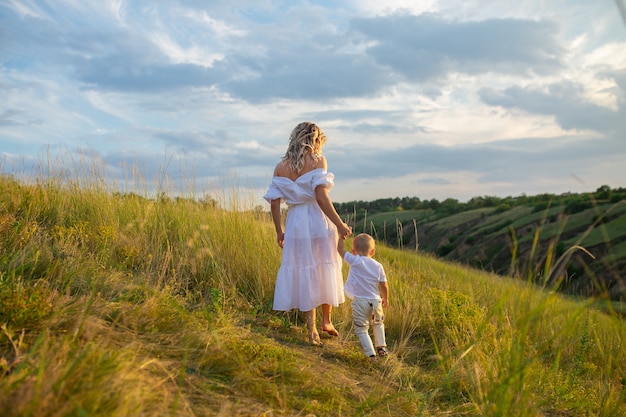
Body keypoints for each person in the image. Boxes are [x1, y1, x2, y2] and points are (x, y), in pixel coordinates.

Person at [264, 121, 352, 346]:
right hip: (316, 218)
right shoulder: (317, 160)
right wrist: (340, 224)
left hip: (295, 222)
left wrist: (279, 230)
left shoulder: (280, 167)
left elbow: (274, 203)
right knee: (325, 265)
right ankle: (326, 321)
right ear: (316, 140)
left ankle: (311, 328)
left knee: (305, 269)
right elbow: (321, 197)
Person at [337, 233, 389, 359]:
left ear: (354, 252)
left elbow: (340, 250)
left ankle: (370, 354)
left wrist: (341, 237)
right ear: (373, 251)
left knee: (361, 329)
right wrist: (385, 298)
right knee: (378, 324)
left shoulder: (355, 260)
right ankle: (381, 347)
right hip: (376, 301)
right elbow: (384, 285)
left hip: (360, 301)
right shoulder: (378, 266)